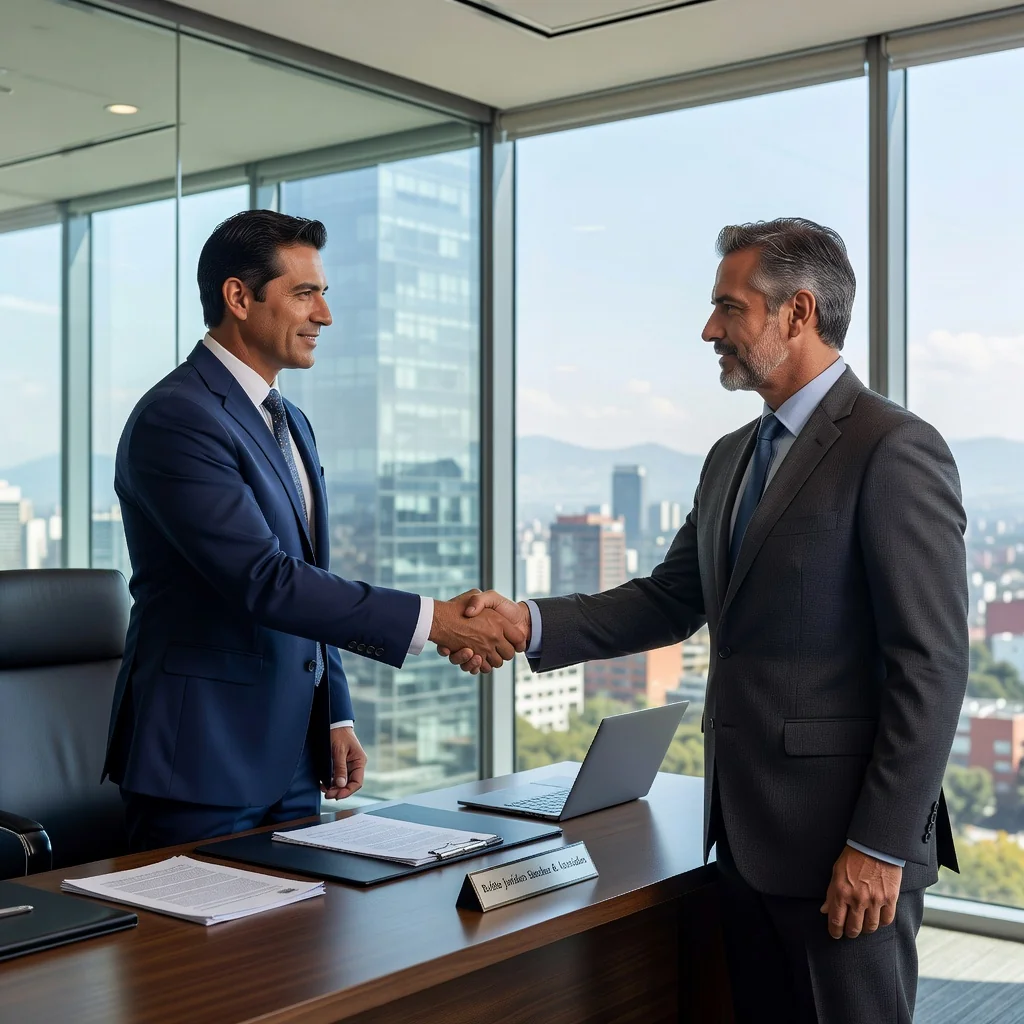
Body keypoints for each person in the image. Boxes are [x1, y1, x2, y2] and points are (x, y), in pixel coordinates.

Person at [441, 218, 969, 1023]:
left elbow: (930, 666)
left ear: (796, 312)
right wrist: (525, 622)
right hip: (744, 844)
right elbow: (668, 598)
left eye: (729, 308)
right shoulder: (731, 456)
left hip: (846, 854)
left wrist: (878, 845)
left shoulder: (892, 448)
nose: (708, 329)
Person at [103, 210, 524, 851]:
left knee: (301, 950)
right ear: (239, 297)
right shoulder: (178, 419)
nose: (324, 315)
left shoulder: (289, 419)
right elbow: (264, 580)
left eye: (322, 294)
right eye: (305, 294)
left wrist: (335, 708)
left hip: (293, 757)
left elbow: (307, 575)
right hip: (200, 762)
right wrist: (436, 620)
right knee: (203, 954)